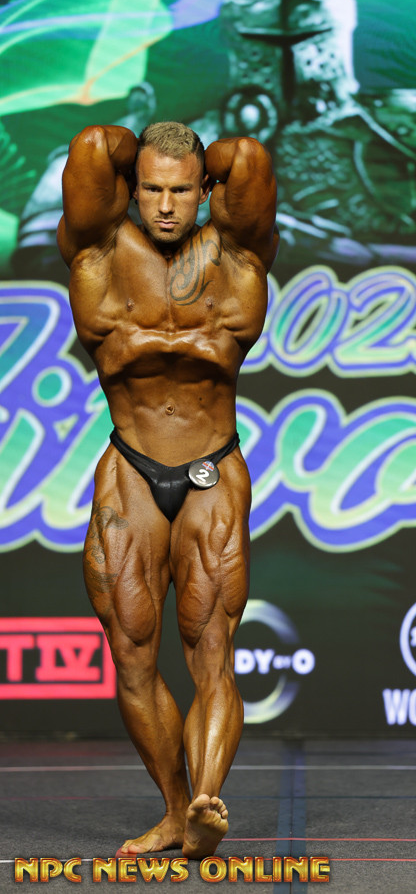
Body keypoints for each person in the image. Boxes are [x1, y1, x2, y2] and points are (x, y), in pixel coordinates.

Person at [57, 121, 278, 858]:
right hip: (131, 468)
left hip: (213, 469)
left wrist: (197, 157)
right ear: (131, 188)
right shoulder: (97, 249)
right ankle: (177, 811)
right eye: (150, 188)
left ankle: (209, 799)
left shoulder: (238, 252)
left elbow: (247, 157)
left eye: (181, 190)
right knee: (132, 654)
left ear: (205, 189)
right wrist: (145, 151)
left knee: (211, 651)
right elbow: (95, 145)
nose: (164, 205)